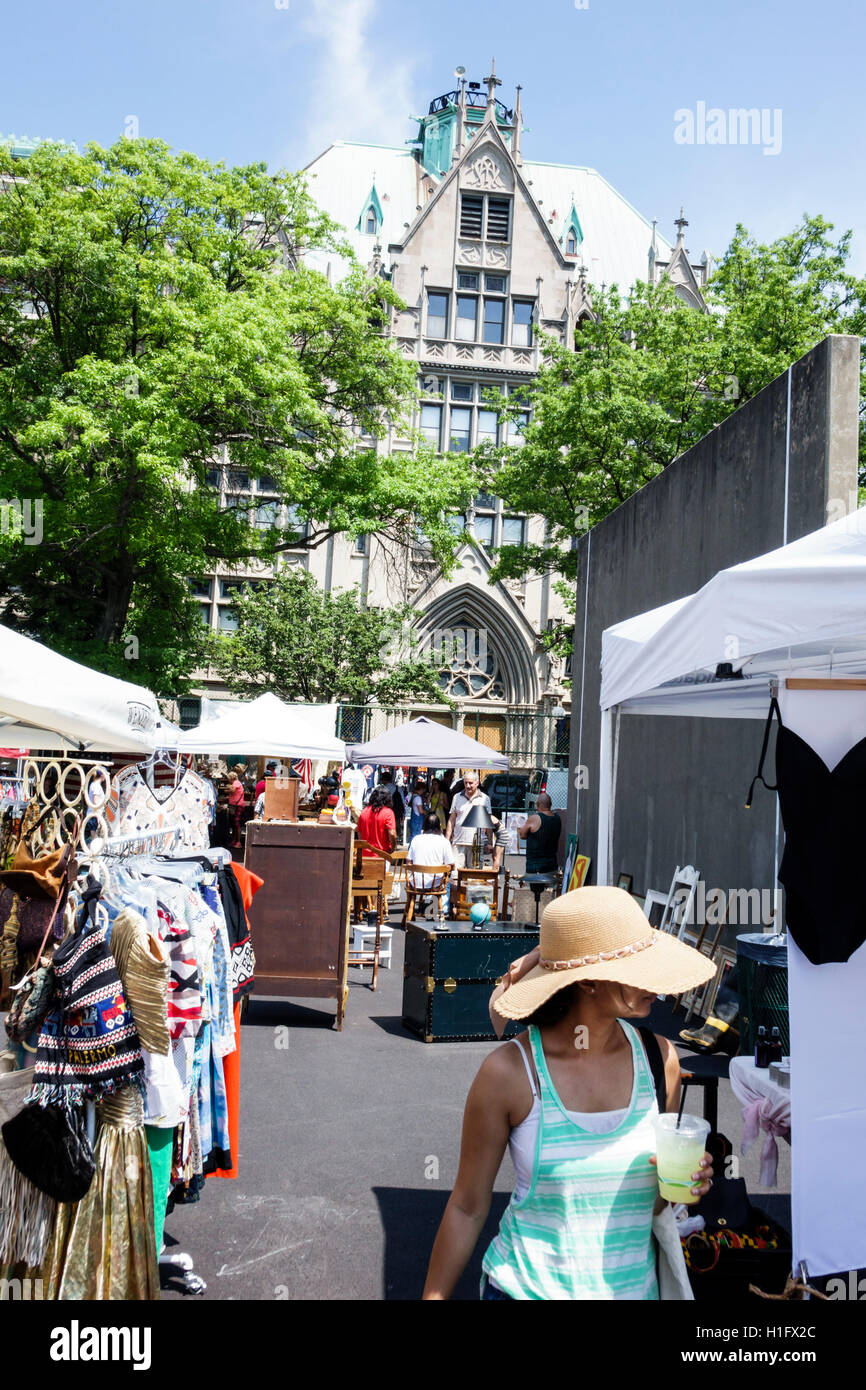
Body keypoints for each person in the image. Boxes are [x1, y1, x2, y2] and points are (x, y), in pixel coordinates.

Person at [422, 887, 715, 1301]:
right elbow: (467, 1206)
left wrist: (682, 1183)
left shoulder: (658, 1060)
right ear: (589, 982)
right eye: (636, 965)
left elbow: (653, 1208)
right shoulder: (510, 1073)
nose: (656, 982)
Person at [408, 811, 455, 918]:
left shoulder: (416, 839)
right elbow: (451, 866)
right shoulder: (444, 842)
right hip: (435, 884)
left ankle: (428, 911)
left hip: (416, 883)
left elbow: (408, 862)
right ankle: (443, 911)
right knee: (447, 882)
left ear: (424, 826)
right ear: (439, 826)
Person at [447, 770, 492, 868]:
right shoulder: (457, 797)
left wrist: (489, 842)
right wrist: (447, 840)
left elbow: (488, 822)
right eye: (465, 783)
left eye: (470, 783)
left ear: (477, 783)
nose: (467, 786)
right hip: (458, 843)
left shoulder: (485, 799)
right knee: (455, 876)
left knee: (474, 877)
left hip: (476, 845)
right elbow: (451, 820)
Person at [518, 792, 561, 874]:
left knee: (536, 887)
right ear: (550, 804)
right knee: (550, 886)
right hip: (552, 863)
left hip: (536, 866)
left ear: (537, 804)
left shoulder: (535, 818)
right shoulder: (557, 818)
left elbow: (522, 835)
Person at [356, 786, 397, 859]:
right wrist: (393, 848)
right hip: (382, 855)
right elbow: (392, 833)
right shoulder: (388, 812)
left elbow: (359, 833)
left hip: (364, 856)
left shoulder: (364, 811)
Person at [226, 772, 245, 850]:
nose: (228, 781)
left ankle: (238, 842)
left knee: (237, 824)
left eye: (229, 779)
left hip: (238, 806)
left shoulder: (236, 782)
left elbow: (232, 790)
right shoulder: (235, 783)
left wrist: (226, 791)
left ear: (231, 778)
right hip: (235, 805)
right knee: (234, 824)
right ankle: (234, 840)